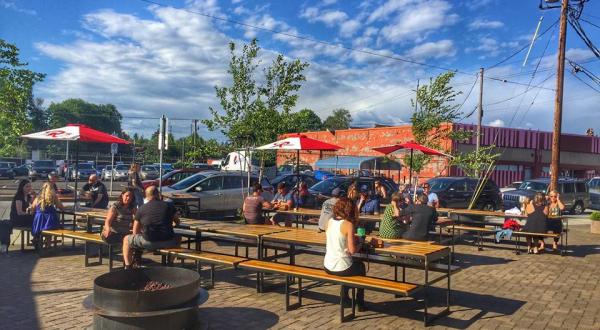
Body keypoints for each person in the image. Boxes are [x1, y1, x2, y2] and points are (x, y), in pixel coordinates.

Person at [323, 197, 367, 311]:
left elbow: (337, 240)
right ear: (349, 210)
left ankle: (345, 297)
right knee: (360, 267)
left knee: (350, 268)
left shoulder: (329, 222)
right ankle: (360, 302)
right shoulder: (348, 224)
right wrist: (361, 242)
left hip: (327, 265)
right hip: (341, 267)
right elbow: (352, 251)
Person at [122, 186, 180, 269]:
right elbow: (177, 221)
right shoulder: (169, 206)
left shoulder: (141, 208)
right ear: (158, 194)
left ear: (146, 196)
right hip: (168, 241)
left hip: (148, 242)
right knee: (178, 237)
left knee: (126, 239)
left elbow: (135, 231)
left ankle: (128, 266)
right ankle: (170, 263)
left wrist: (139, 244)